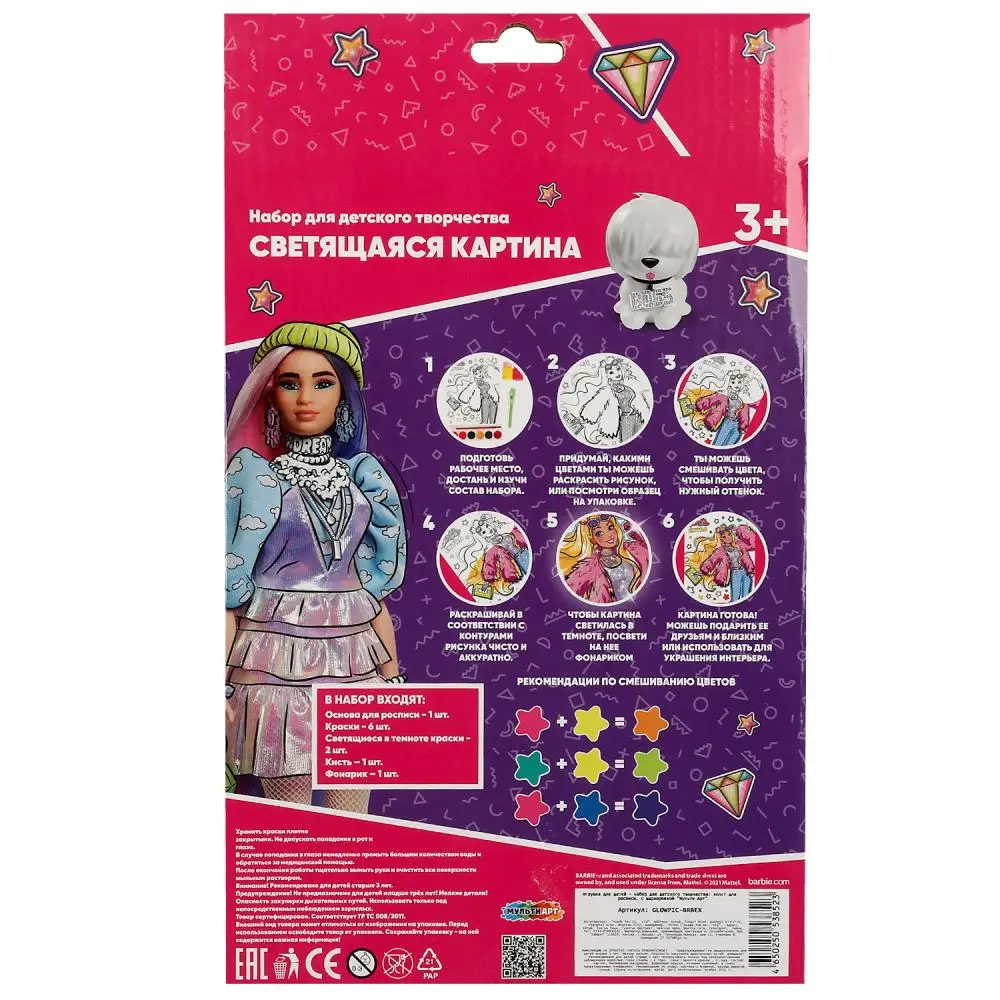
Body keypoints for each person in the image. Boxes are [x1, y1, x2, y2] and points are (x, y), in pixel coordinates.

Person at [224, 321, 407, 812]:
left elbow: (371, 596)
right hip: (272, 663)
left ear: (343, 396)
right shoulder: (256, 478)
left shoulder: (364, 478)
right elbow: (228, 599)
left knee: (354, 813)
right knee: (294, 819)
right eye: (290, 383)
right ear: (269, 393)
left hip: (355, 662)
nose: (306, 398)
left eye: (323, 383)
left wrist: (392, 678)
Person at [560, 513, 649, 604]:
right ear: (592, 539)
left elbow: (648, 547)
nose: (609, 535)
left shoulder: (632, 549)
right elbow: (569, 590)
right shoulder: (587, 569)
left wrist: (630, 527)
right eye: (599, 533)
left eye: (610, 527)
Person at [698, 524, 756, 601]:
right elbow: (711, 559)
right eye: (724, 536)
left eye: (729, 534)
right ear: (721, 539)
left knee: (746, 596)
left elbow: (753, 543)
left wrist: (741, 530)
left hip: (746, 572)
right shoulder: (721, 550)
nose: (728, 537)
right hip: (735, 573)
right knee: (735, 597)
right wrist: (704, 569)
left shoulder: (740, 544)